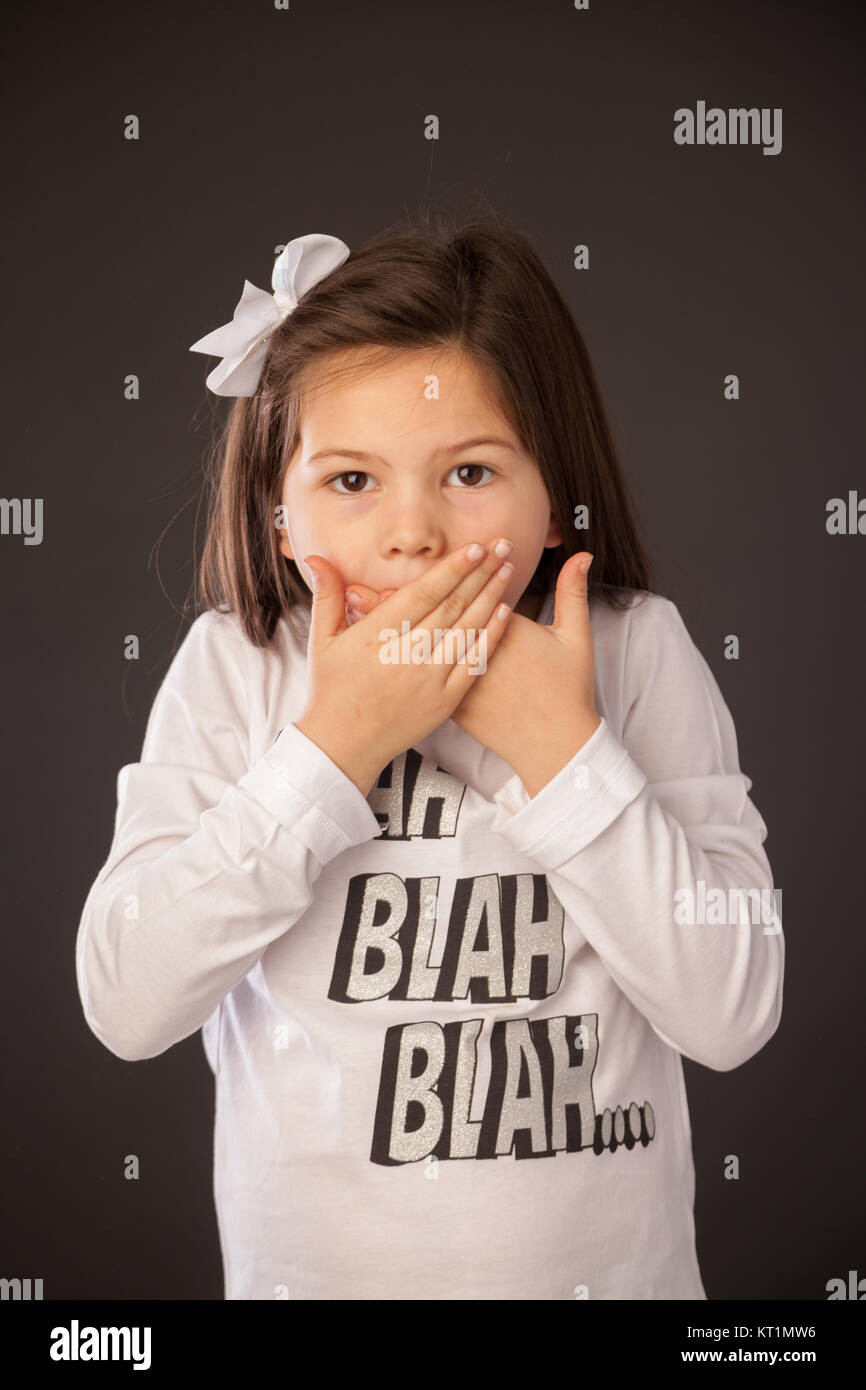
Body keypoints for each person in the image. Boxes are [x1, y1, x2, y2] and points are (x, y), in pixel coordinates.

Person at [74, 215, 784, 1300]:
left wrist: (562, 748)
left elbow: (730, 1012)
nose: (411, 535)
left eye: (467, 471)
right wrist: (333, 746)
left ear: (554, 493)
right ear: (278, 512)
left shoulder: (634, 650)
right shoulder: (239, 666)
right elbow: (128, 999)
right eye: (351, 481)